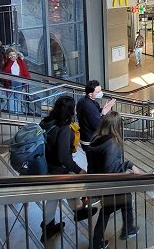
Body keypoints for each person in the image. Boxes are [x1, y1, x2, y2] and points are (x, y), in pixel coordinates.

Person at [39, 95, 96, 243]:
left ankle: (50, 226)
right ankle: (77, 212)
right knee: (68, 186)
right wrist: (78, 170)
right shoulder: (63, 128)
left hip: (45, 165)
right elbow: (63, 157)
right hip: (56, 168)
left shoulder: (46, 121)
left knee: (54, 196)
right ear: (70, 110)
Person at [86, 111, 141, 247]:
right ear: (117, 126)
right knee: (107, 210)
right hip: (111, 184)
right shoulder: (112, 143)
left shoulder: (95, 139)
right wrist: (129, 165)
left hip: (99, 183)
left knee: (126, 199)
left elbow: (92, 165)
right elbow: (111, 168)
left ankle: (128, 228)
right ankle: (96, 243)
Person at [76, 80, 115, 154]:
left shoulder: (83, 100)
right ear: (90, 94)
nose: (101, 93)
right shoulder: (89, 107)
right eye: (98, 92)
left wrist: (103, 110)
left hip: (86, 137)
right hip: (90, 141)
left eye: (100, 90)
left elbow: (94, 114)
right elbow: (98, 125)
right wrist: (103, 113)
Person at [2, 48, 30, 114]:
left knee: (19, 97)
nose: (13, 56)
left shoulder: (20, 61)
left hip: (19, 81)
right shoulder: (6, 62)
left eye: (14, 54)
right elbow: (5, 71)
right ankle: (12, 113)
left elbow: (25, 71)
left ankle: (19, 112)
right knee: (11, 98)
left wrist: (27, 81)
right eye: (10, 55)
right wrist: (11, 61)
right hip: (10, 82)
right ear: (8, 56)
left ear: (16, 54)